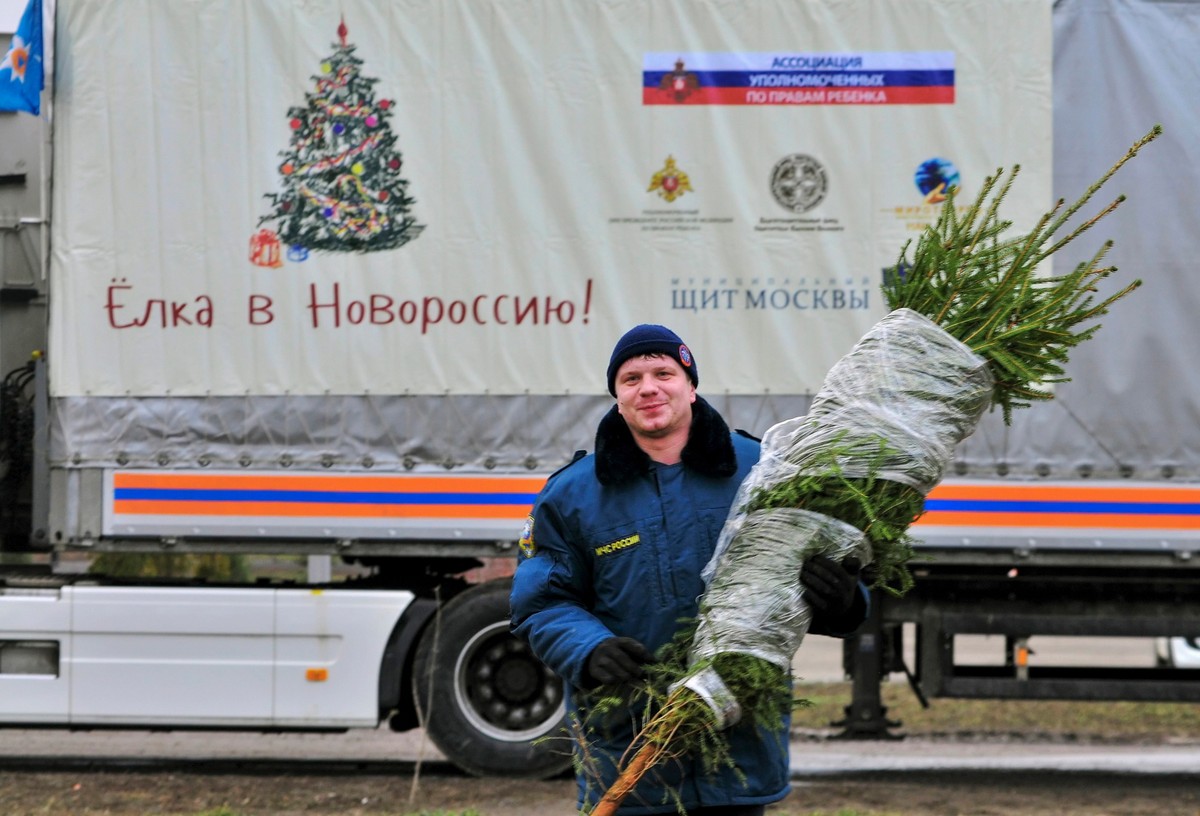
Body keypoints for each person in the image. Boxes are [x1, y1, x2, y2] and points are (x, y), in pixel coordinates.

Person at [509, 324, 869, 816]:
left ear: (691, 385)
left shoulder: (765, 471)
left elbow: (811, 571)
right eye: (632, 379)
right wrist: (588, 648)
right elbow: (543, 602)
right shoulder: (572, 495)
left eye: (664, 373)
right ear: (617, 398)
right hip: (629, 748)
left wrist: (843, 600)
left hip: (737, 750)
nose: (649, 388)